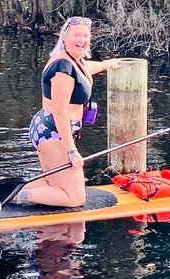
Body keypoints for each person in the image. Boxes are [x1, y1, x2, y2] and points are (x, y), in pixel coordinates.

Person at [20, 16, 122, 207]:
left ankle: (3, 189)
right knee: (75, 198)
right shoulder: (63, 67)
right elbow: (59, 112)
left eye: (85, 35)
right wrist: (71, 150)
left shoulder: (74, 60)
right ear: (64, 37)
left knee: (52, 181)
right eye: (76, 35)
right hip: (53, 132)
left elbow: (87, 68)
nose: (82, 40)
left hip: (49, 128)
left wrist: (108, 64)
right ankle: (13, 197)